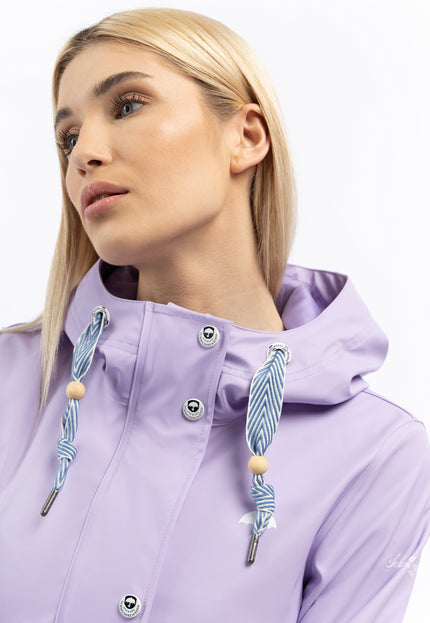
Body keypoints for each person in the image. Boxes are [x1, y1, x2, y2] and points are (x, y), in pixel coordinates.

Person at [0, 7, 429, 622]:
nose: (84, 154)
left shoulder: (377, 453)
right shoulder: (13, 380)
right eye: (67, 137)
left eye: (127, 105)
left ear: (246, 136)